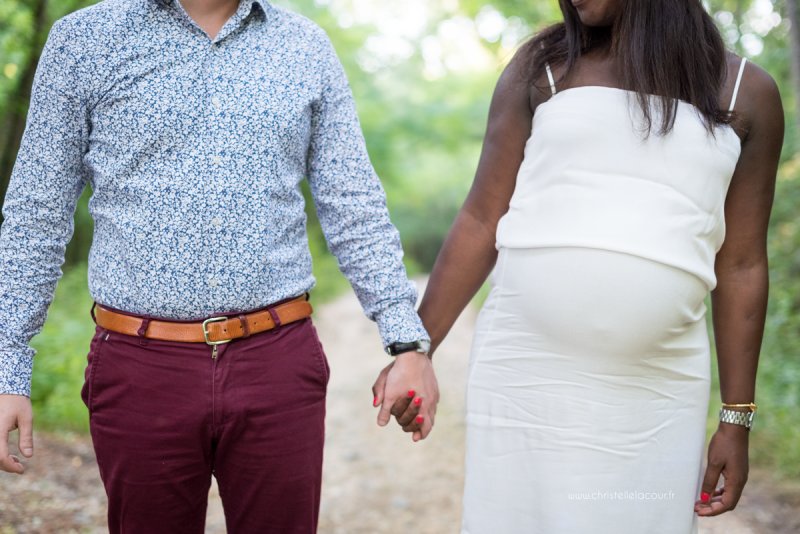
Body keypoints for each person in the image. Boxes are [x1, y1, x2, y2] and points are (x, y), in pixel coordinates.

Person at [0, 0, 438, 531]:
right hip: (141, 368)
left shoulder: (304, 46)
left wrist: (407, 342)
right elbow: (35, 215)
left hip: (277, 362)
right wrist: (7, 370)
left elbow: (355, 206)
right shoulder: (84, 40)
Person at [375, 0, 783, 532]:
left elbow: (743, 265)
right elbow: (481, 219)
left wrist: (736, 419)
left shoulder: (744, 93)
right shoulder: (543, 67)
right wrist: (417, 349)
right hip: (524, 375)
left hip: (655, 391)